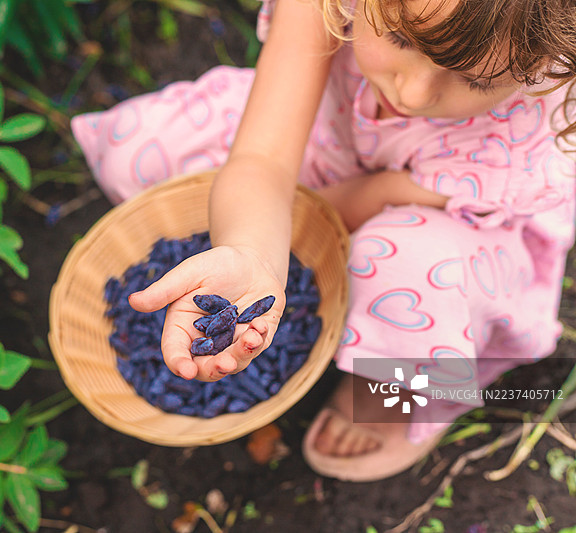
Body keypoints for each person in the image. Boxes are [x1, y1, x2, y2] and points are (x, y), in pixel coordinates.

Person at [71, 0, 576, 481]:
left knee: (400, 265)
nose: (415, 93)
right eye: (401, 36)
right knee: (142, 151)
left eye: (474, 78)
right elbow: (263, 159)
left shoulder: (528, 123)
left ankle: (397, 388)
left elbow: (364, 200)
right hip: (330, 136)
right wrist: (249, 249)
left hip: (451, 221)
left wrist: (280, 251)